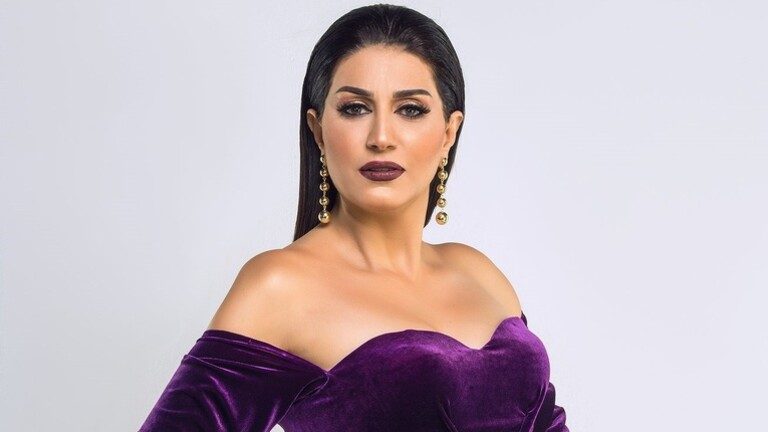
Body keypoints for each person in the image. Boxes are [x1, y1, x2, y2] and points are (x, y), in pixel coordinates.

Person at [139, 4, 569, 431]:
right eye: (355, 108)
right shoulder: (280, 287)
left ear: (448, 132)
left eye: (410, 109)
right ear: (318, 130)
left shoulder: (478, 271)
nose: (381, 137)